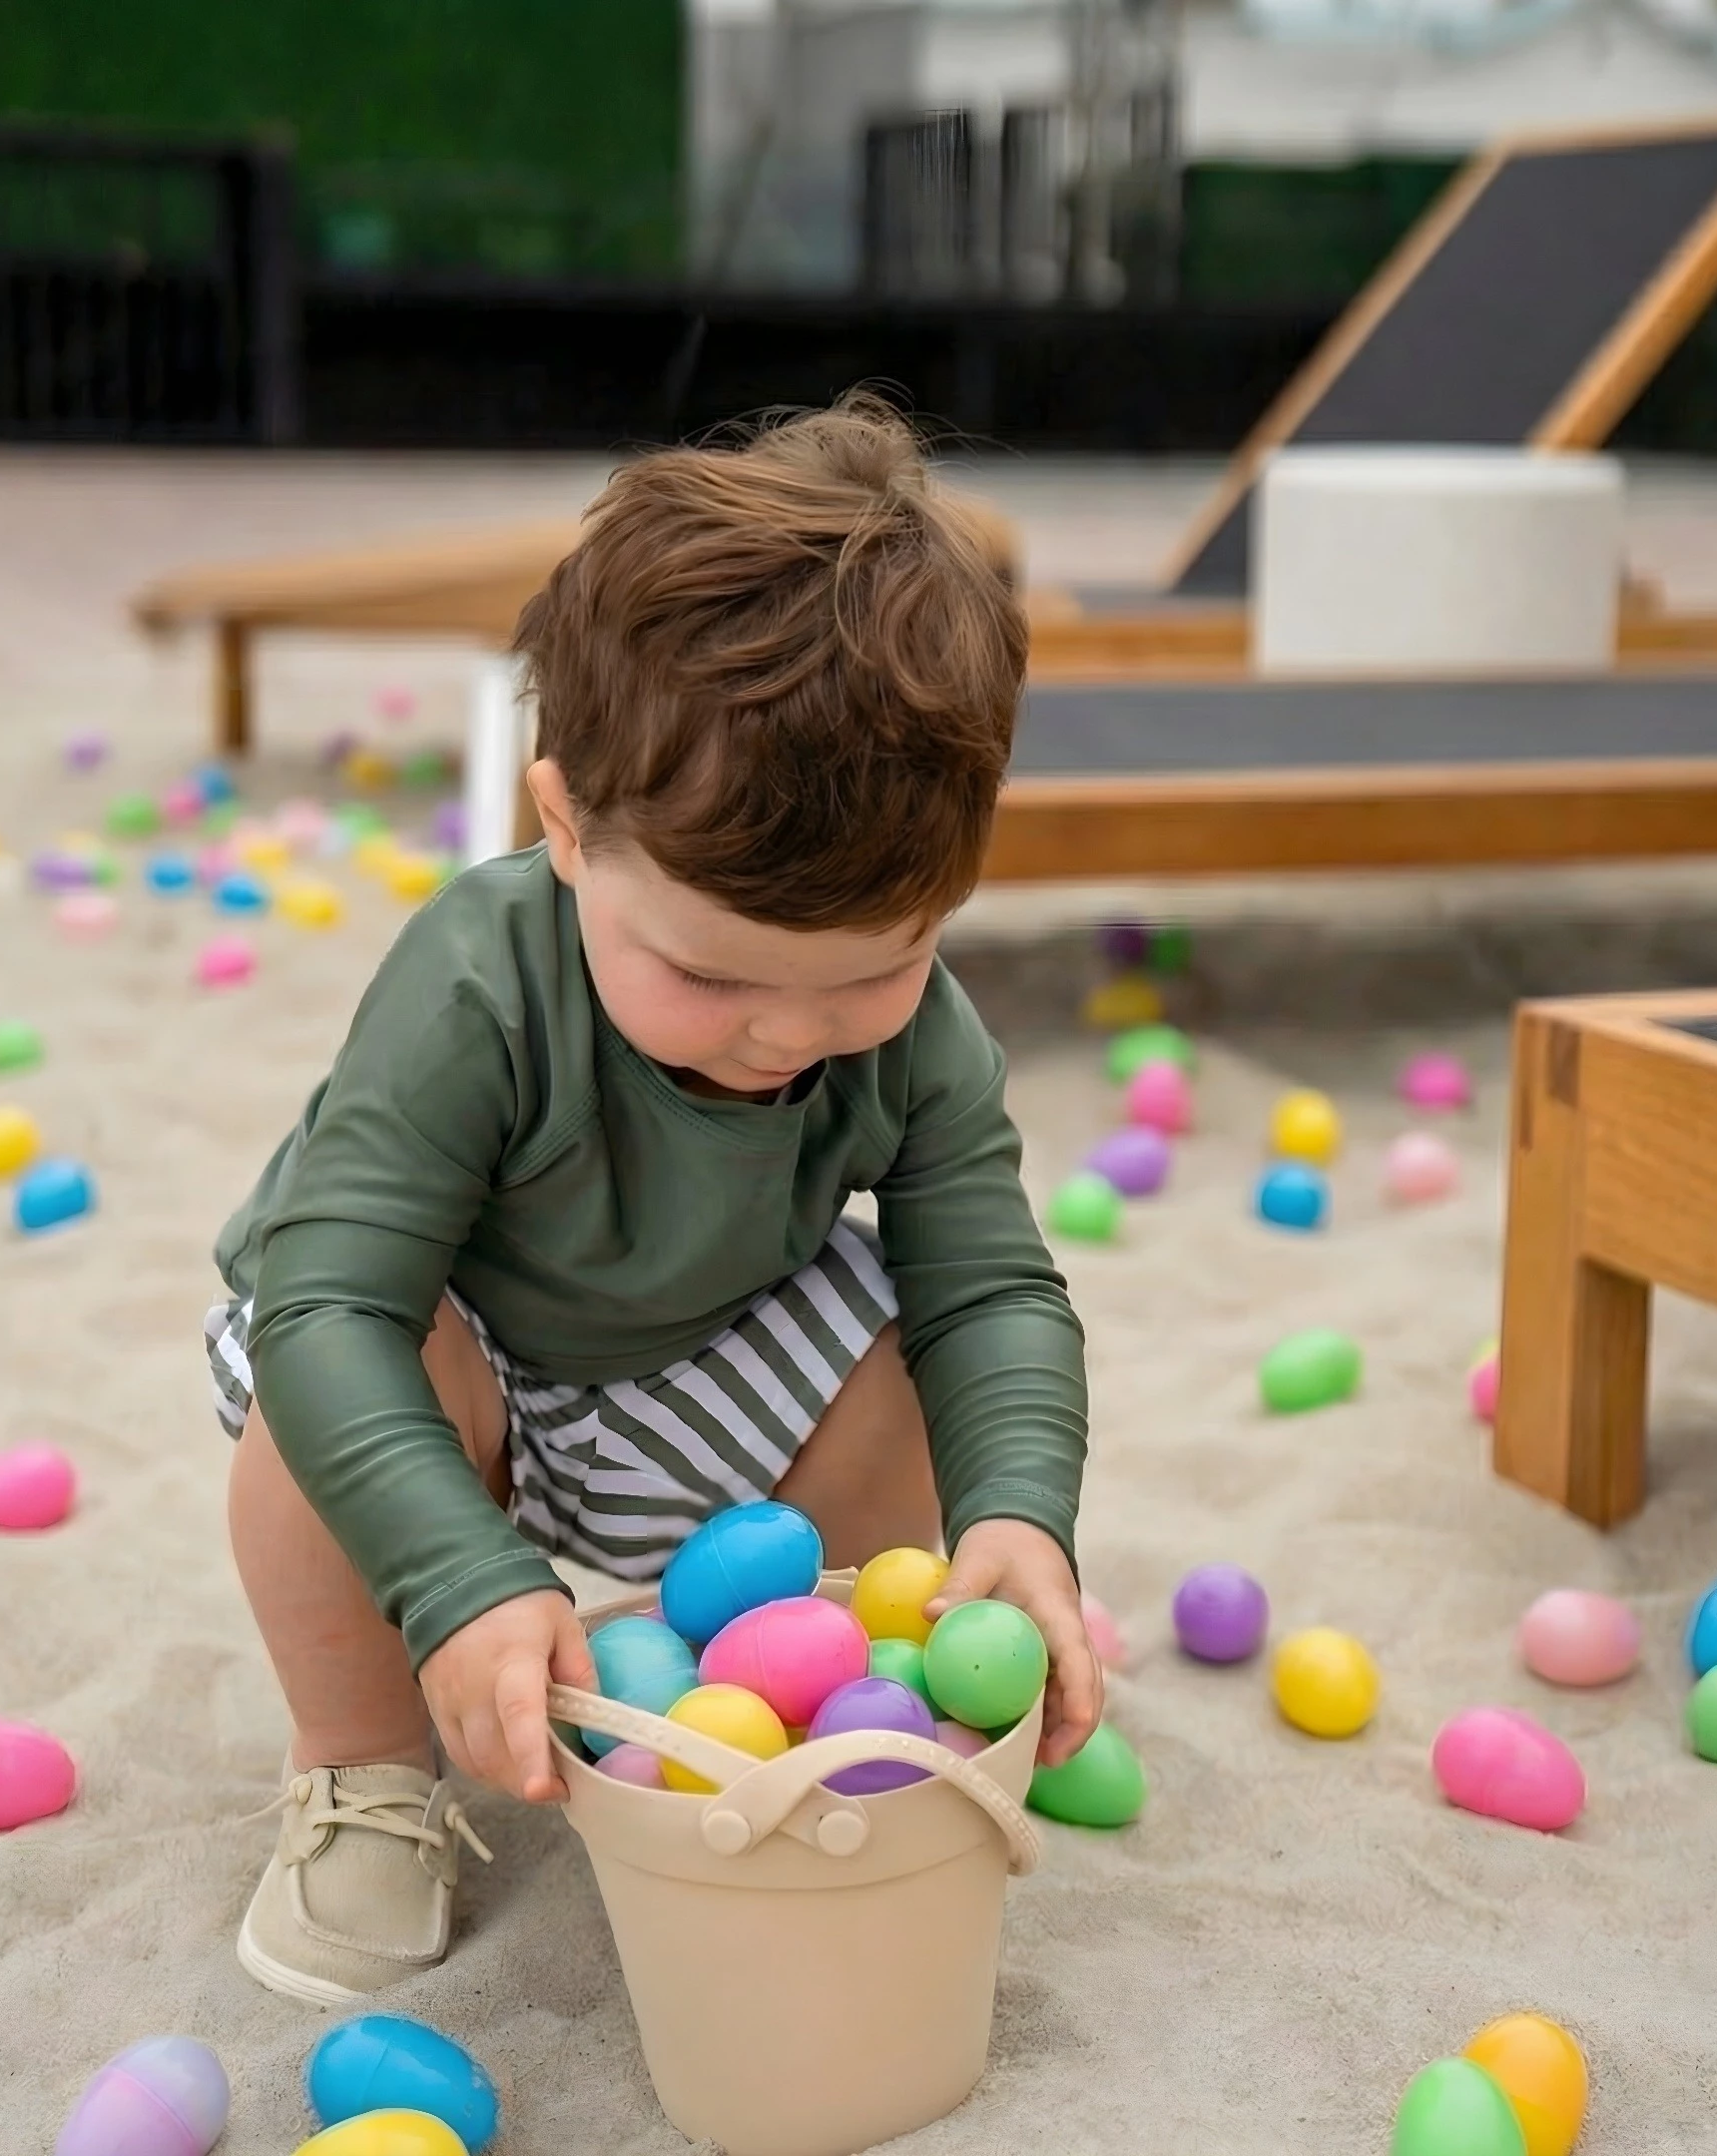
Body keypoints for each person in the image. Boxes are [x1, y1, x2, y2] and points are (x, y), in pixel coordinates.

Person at [207, 394, 1101, 2005]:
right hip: (443, 1379)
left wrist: (1021, 1516)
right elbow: (330, 1306)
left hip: (703, 1374)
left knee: (900, 1348)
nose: (785, 1033)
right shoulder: (476, 987)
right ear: (563, 825)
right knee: (338, 1378)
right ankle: (368, 1777)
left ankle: (809, 1718)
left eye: (875, 969)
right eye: (707, 971)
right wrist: (466, 1581)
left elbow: (992, 1291)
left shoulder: (924, 1037)